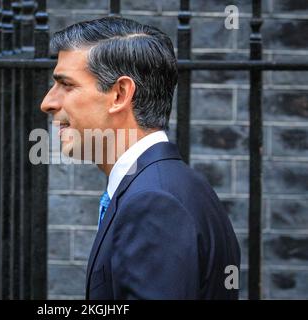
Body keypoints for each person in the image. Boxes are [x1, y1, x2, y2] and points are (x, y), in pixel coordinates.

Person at [40, 16, 240, 300]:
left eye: (67, 85)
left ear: (120, 94)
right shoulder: (170, 186)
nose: (48, 102)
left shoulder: (154, 202)